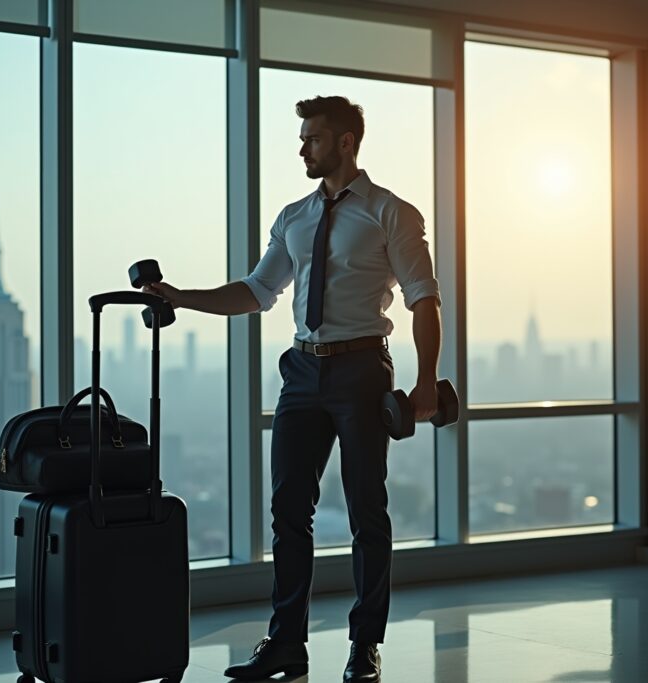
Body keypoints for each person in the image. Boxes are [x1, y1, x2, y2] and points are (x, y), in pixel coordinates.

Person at [144, 95, 441, 683]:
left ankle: (364, 646)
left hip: (361, 370)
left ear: (346, 142)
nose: (302, 148)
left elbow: (423, 299)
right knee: (288, 511)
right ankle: (286, 644)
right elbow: (257, 291)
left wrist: (427, 379)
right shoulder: (293, 217)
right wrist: (181, 297)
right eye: (302, 138)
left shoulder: (392, 213)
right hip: (302, 372)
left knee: (366, 510)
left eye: (313, 138)